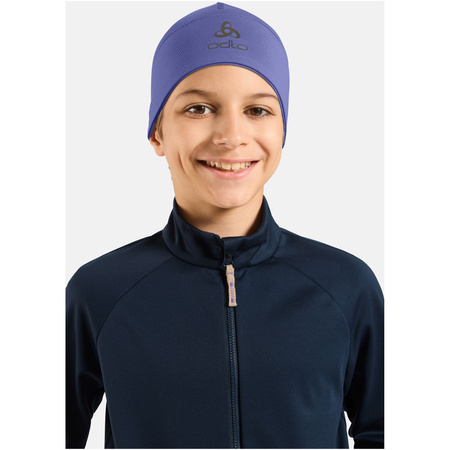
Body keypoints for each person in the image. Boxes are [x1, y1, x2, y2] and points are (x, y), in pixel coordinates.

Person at [66, 2, 384, 448]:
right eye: (199, 108)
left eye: (258, 110)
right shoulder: (99, 292)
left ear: (283, 131)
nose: (231, 136)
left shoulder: (347, 287)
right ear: (157, 132)